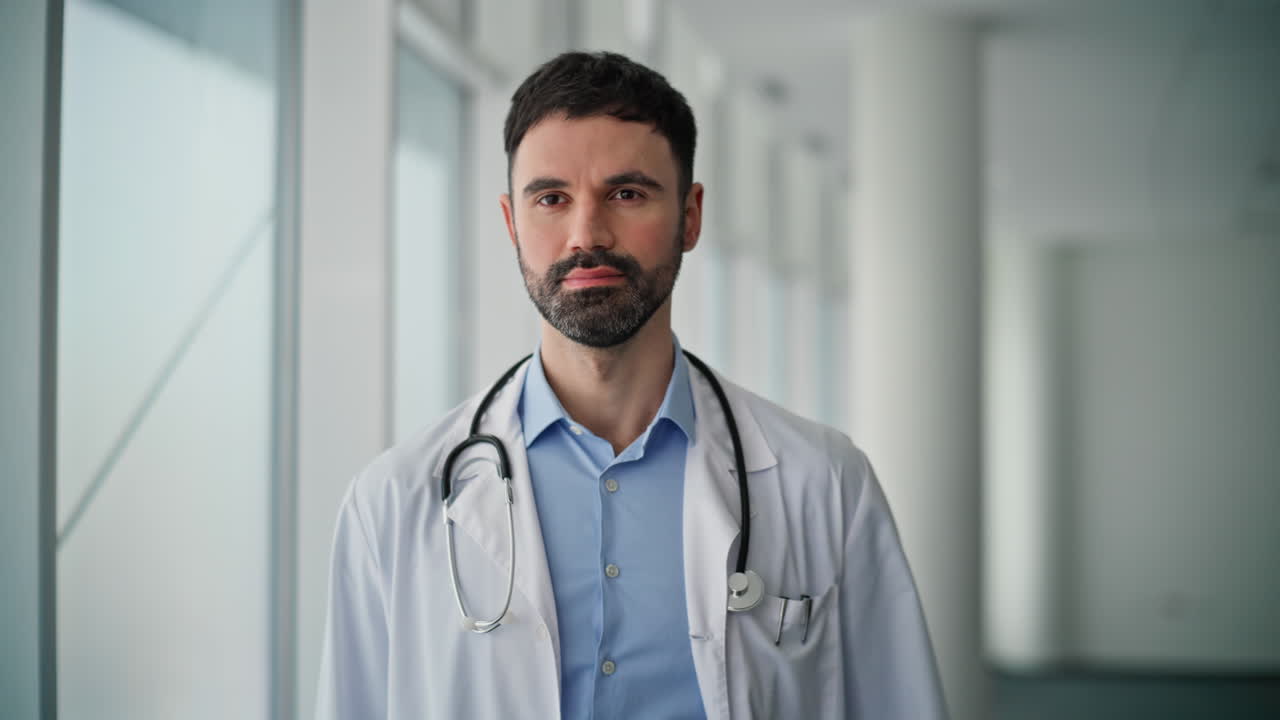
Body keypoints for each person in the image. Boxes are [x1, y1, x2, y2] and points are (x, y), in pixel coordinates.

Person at [315, 51, 946, 719]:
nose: (586, 235)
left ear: (690, 217)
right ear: (511, 224)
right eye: (551, 199)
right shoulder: (393, 502)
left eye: (627, 194)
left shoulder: (826, 483)